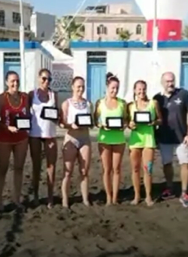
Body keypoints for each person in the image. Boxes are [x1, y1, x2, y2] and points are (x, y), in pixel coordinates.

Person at [154, 71, 188, 208]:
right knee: (167, 164)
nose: (170, 83)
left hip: (182, 137)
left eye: (172, 81)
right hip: (164, 137)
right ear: (162, 82)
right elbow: (154, 119)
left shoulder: (184, 94)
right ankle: (169, 188)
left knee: (185, 163)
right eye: (167, 81)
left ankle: (184, 192)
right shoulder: (157, 99)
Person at [0, 71, 29, 211]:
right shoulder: (1, 98)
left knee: (19, 168)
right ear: (6, 82)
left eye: (17, 80)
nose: (15, 84)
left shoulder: (25, 97)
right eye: (12, 81)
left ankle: (17, 199)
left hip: (21, 137)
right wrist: (7, 127)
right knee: (3, 168)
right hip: (4, 138)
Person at [94, 73, 127, 206]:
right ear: (107, 87)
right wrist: (102, 126)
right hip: (104, 139)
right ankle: (108, 197)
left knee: (117, 169)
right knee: (107, 169)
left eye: (117, 88)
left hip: (119, 139)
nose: (115, 90)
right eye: (113, 88)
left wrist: (123, 126)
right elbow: (96, 121)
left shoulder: (122, 103)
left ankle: (115, 197)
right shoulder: (100, 103)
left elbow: (126, 120)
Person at [128, 80, 162, 206]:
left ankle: (148, 196)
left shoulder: (153, 103)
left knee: (148, 169)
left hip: (148, 140)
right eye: (139, 89)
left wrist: (154, 123)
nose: (141, 92)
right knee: (135, 169)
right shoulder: (130, 105)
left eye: (143, 89)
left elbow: (160, 120)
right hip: (135, 140)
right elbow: (127, 122)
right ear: (134, 90)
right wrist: (130, 125)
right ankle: (137, 195)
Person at [60, 76, 92, 208]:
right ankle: (65, 199)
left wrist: (89, 124)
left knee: (84, 171)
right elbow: (61, 123)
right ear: (72, 87)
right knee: (68, 171)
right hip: (71, 138)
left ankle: (85, 199)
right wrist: (69, 125)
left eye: (83, 86)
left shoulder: (88, 103)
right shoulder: (66, 103)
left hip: (85, 139)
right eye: (78, 86)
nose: (81, 89)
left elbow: (92, 122)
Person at [29, 69, 58, 208]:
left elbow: (58, 114)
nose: (46, 82)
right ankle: (35, 195)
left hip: (50, 134)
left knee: (51, 167)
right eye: (44, 78)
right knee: (36, 166)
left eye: (49, 80)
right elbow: (24, 112)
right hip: (35, 133)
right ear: (39, 78)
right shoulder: (32, 94)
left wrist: (57, 117)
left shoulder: (54, 95)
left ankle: (50, 197)